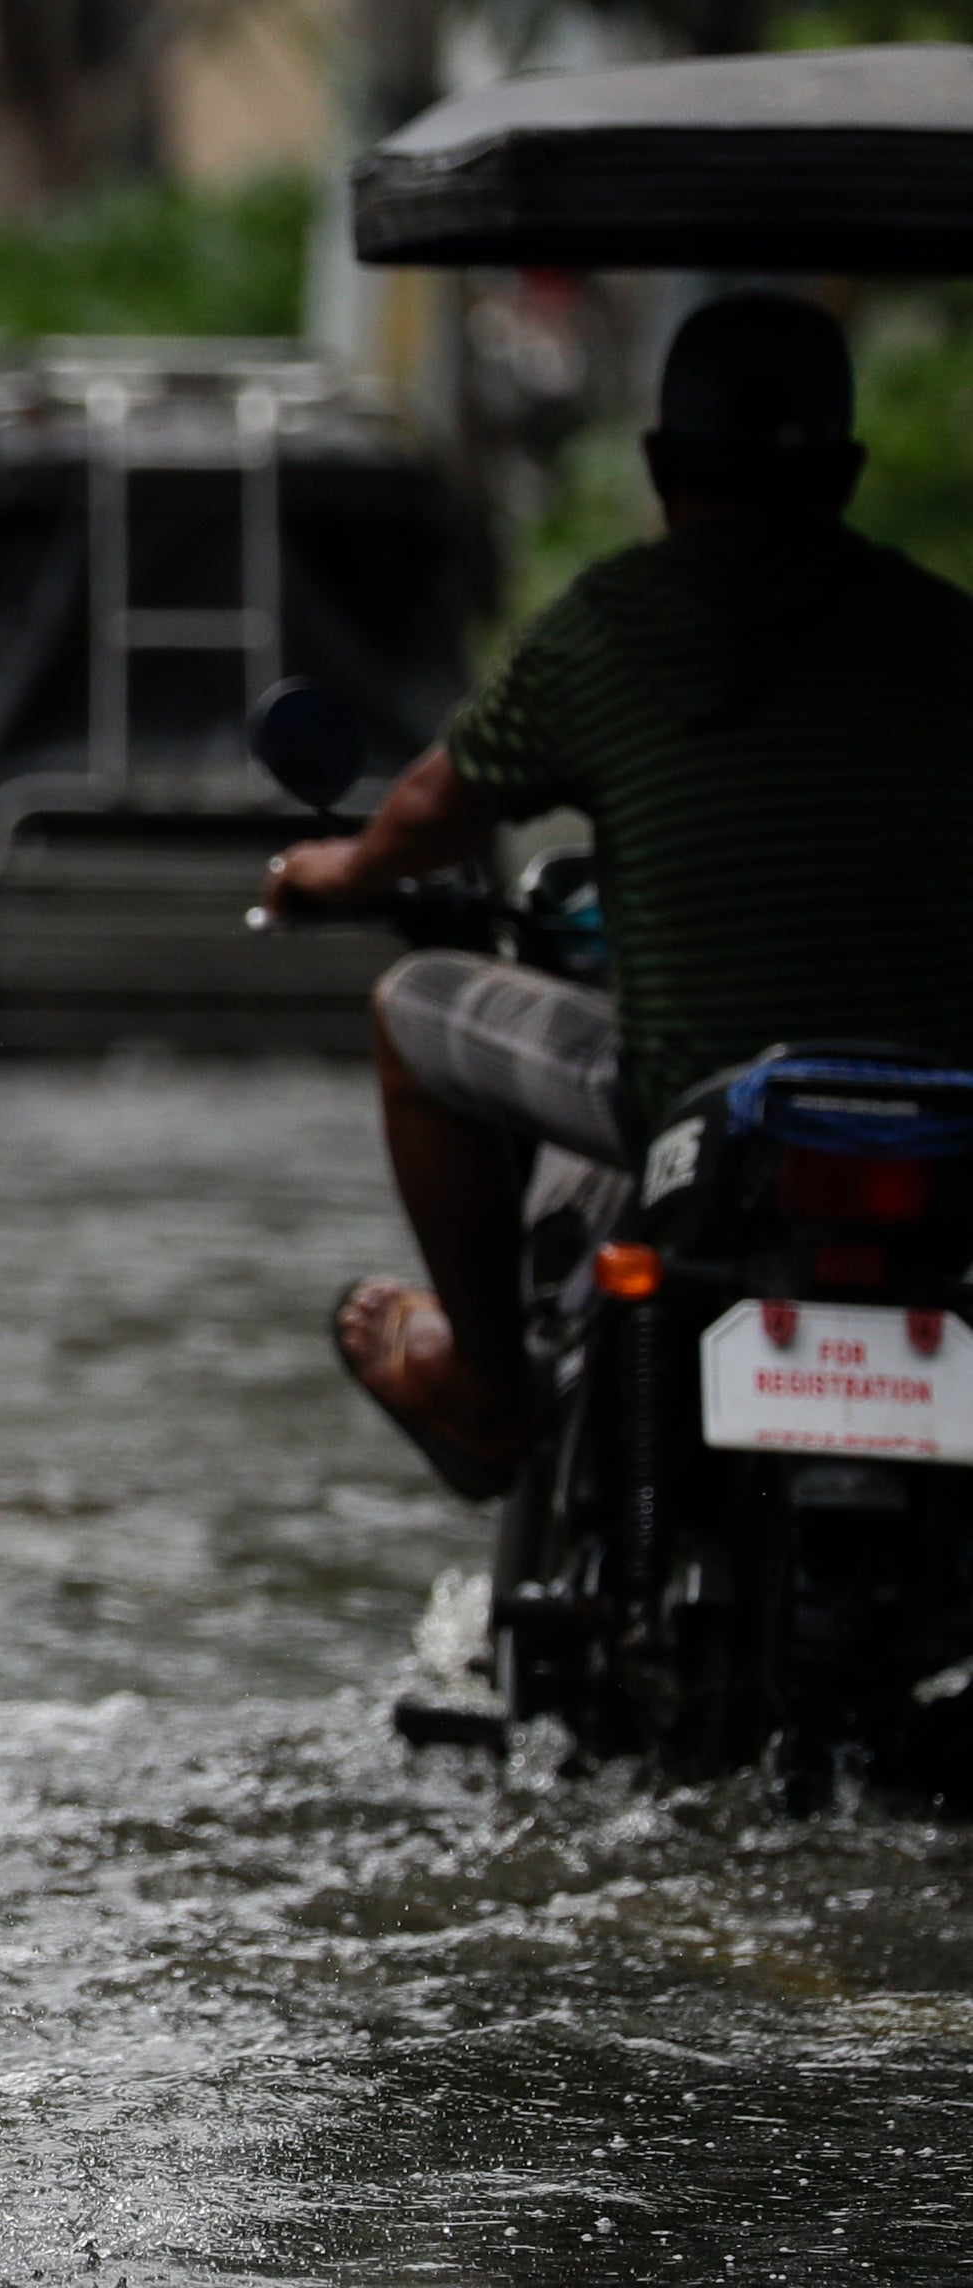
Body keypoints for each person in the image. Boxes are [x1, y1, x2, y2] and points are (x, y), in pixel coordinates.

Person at [265, 291, 973, 1494]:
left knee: (409, 1008)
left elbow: (439, 800)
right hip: (950, 1111)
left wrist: (334, 869)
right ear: (849, 469)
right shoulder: (943, 634)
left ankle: (490, 1396)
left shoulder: (614, 627)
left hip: (699, 1101)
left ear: (660, 461)